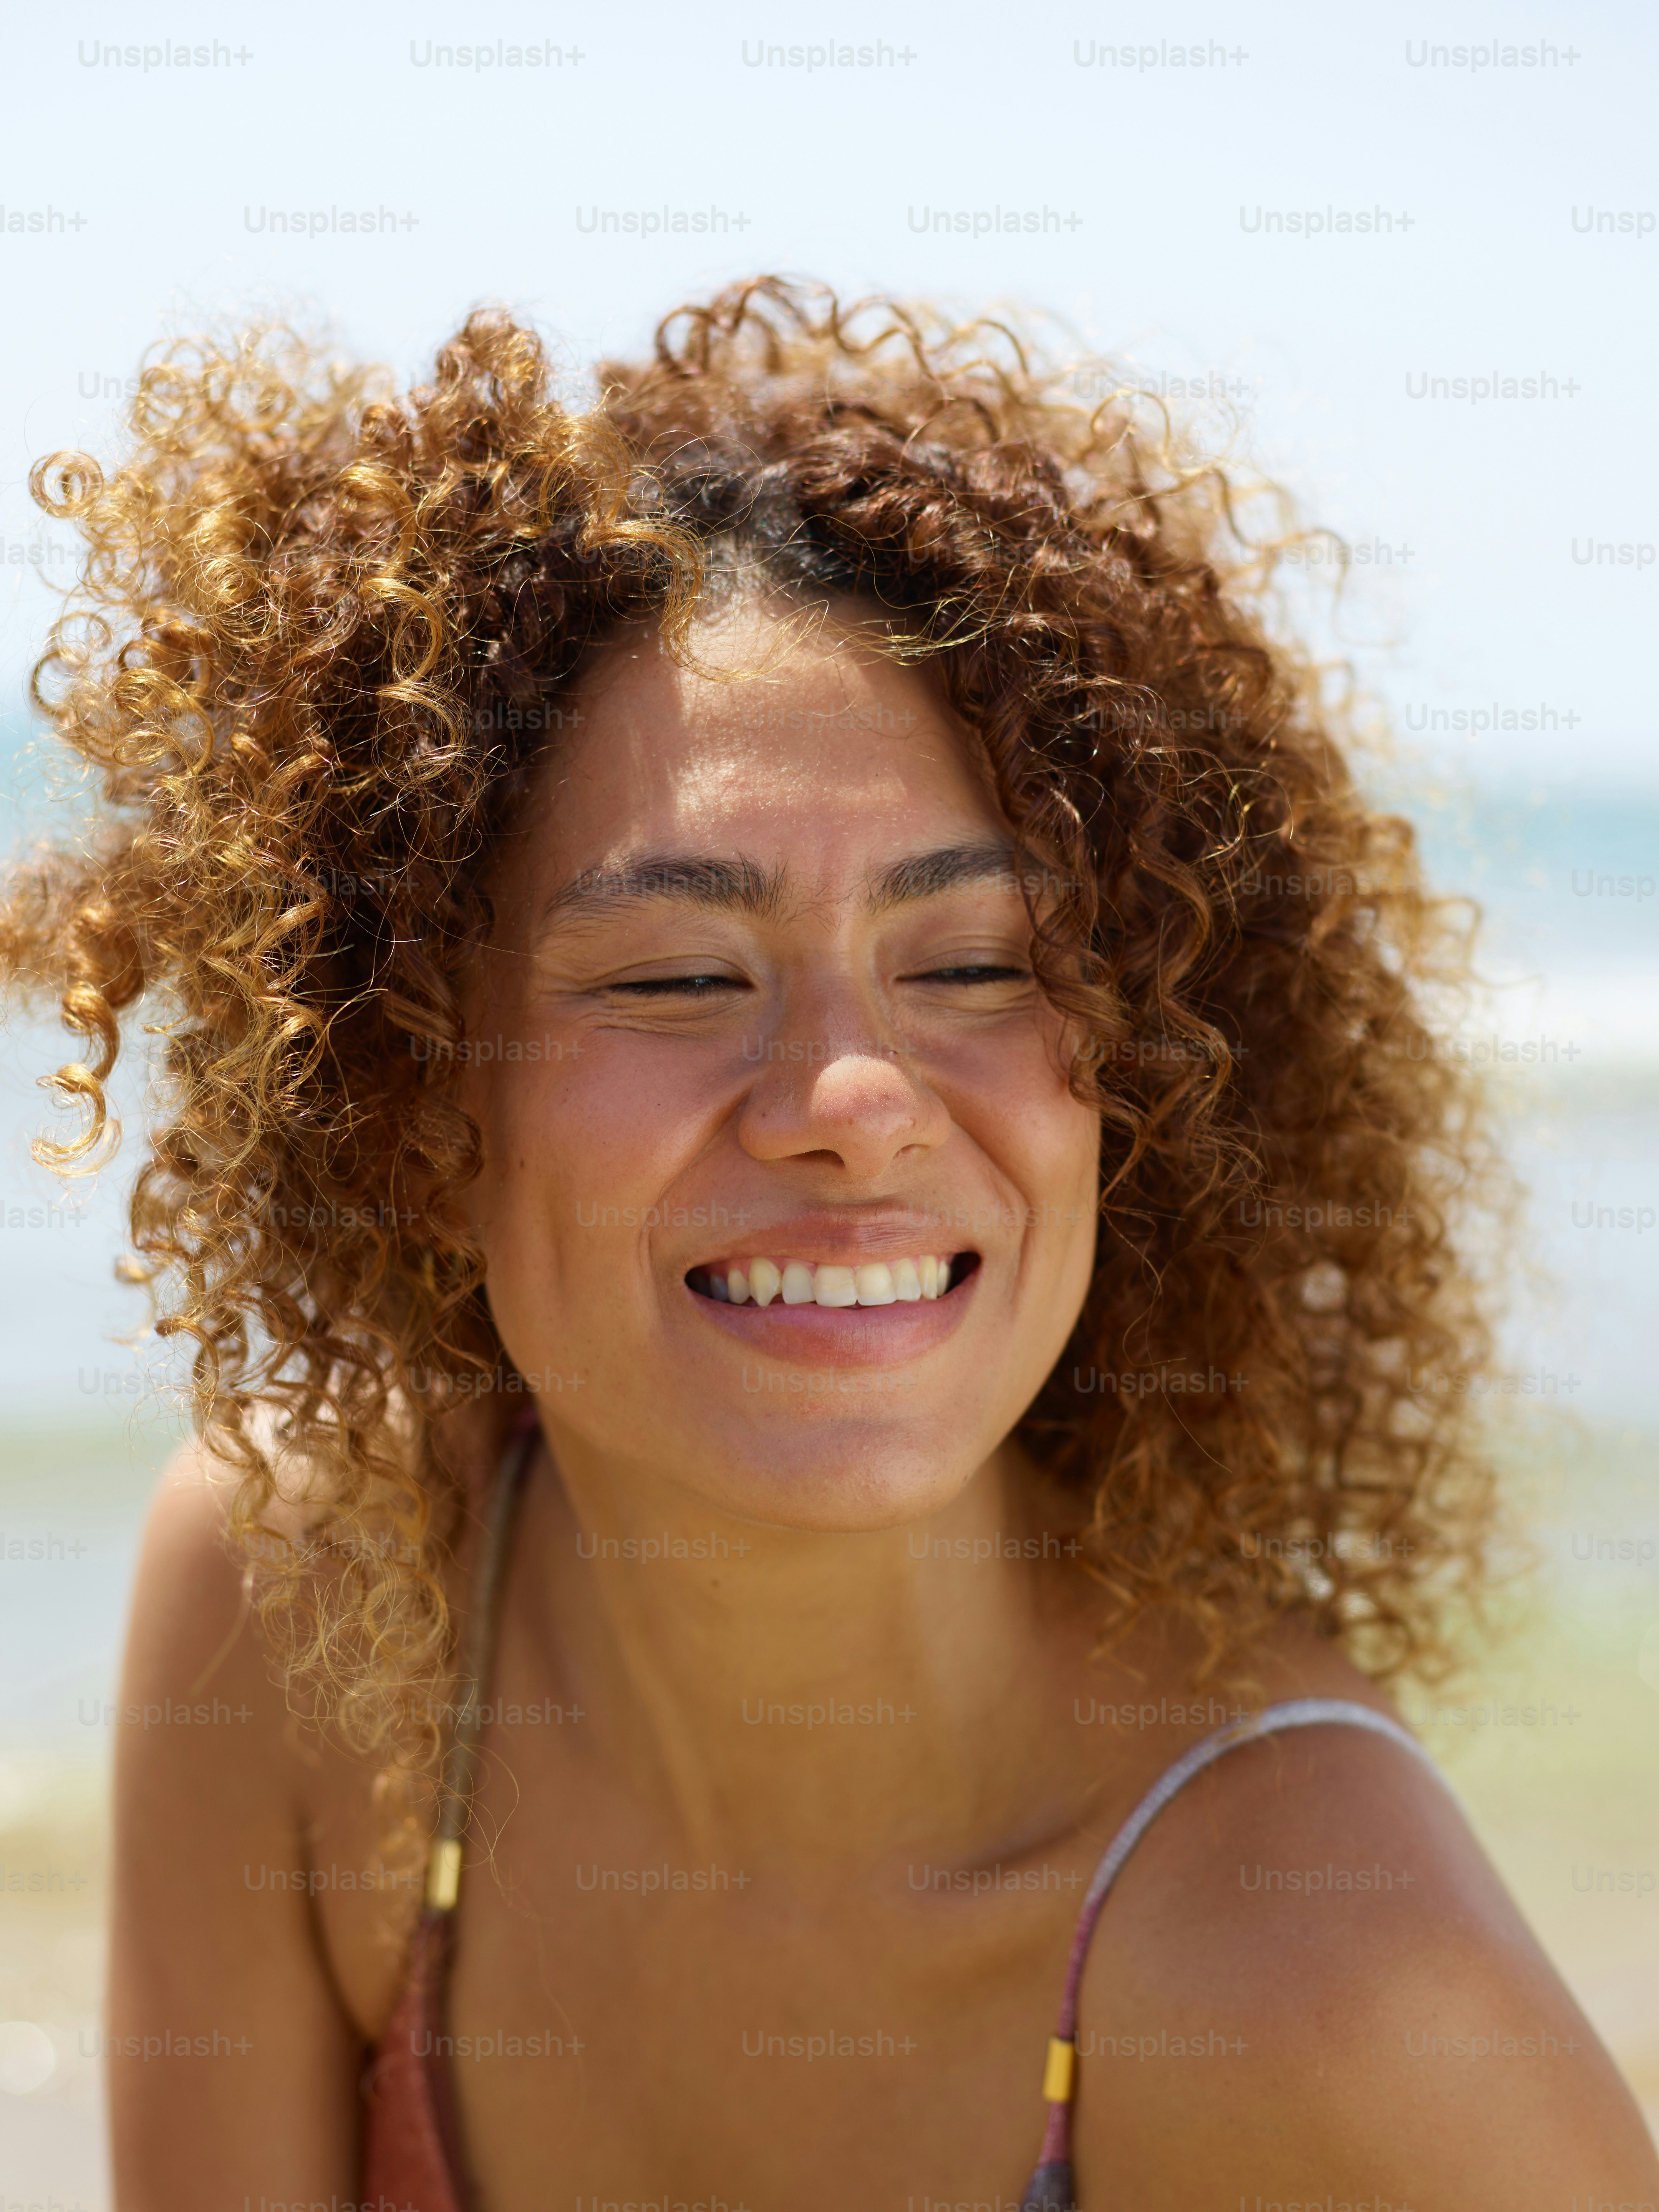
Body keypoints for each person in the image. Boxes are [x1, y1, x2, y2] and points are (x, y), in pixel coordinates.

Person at [6, 279, 1654, 2210]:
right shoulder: (297, 1612)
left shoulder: (1339, 1997)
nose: (853, 1096)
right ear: (406, 1094)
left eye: (974, 964)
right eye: (684, 972)